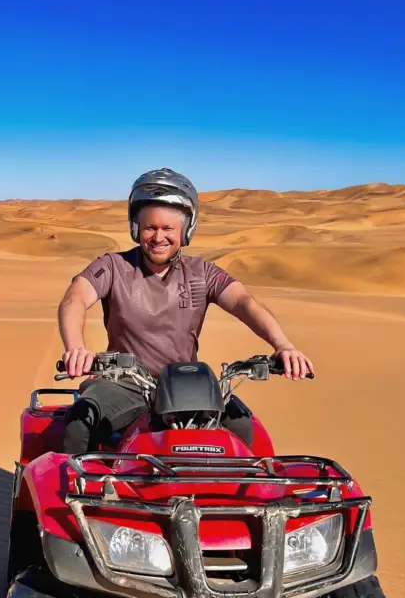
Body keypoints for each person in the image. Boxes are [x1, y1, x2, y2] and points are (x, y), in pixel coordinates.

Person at [57, 167, 314, 455]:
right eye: (150, 227)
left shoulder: (202, 273)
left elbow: (244, 303)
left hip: (185, 384)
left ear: (185, 230)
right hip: (123, 381)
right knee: (80, 423)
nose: (158, 237)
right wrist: (76, 348)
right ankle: (77, 498)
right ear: (135, 227)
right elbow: (75, 299)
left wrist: (283, 345)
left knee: (242, 428)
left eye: (168, 229)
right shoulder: (114, 267)